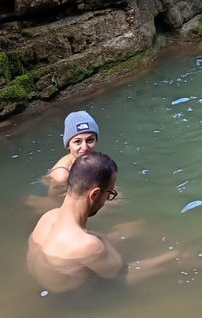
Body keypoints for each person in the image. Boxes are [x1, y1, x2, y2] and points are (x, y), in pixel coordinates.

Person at [27, 152, 178, 293]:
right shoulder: (88, 244)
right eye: (110, 194)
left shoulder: (47, 217)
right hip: (75, 298)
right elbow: (122, 277)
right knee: (173, 261)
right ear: (95, 194)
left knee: (126, 233)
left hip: (50, 280)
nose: (107, 200)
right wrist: (172, 259)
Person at [45, 110, 101, 194]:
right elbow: (55, 203)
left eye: (90, 140)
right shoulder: (62, 177)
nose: (85, 147)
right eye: (78, 142)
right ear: (68, 145)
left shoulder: (91, 161)